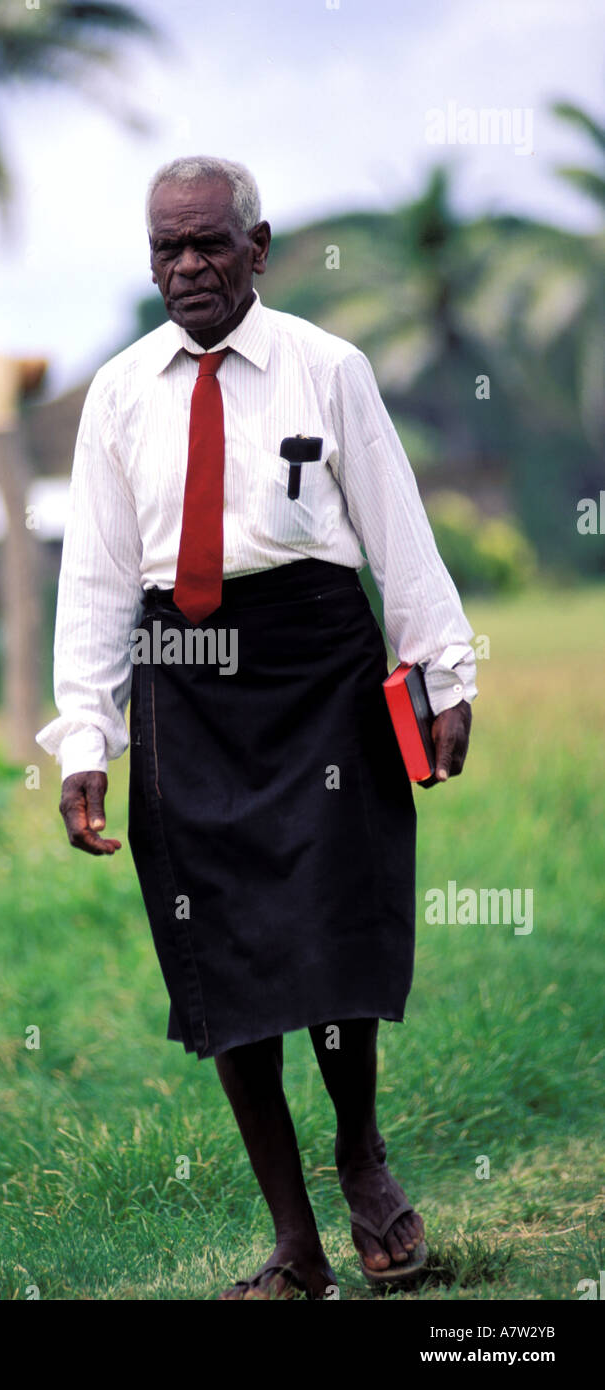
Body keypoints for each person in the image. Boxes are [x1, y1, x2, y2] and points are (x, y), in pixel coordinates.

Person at [37, 155, 476, 1300]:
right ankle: (295, 1245)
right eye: (166, 248)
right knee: (219, 955)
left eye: (208, 243)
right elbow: (94, 579)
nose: (187, 266)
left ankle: (362, 1161)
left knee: (329, 932)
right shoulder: (117, 394)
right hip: (181, 679)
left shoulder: (328, 369)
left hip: (315, 665)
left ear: (258, 248)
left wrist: (443, 668)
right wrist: (85, 738)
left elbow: (395, 525)